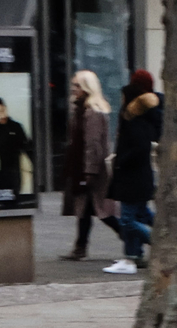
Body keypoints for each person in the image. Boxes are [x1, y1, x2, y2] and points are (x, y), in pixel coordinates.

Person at [103, 71, 159, 274]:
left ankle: (160, 242)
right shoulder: (148, 114)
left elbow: (137, 146)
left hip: (132, 176)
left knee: (127, 219)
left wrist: (121, 161)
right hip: (140, 175)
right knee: (141, 213)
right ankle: (132, 256)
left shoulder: (133, 117)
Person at [58, 68, 115, 261]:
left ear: (86, 88)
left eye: (77, 85)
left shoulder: (92, 112)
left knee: (105, 213)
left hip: (92, 170)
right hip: (82, 168)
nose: (73, 89)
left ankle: (136, 241)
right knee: (84, 211)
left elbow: (93, 144)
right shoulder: (80, 110)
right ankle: (79, 248)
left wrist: (89, 171)